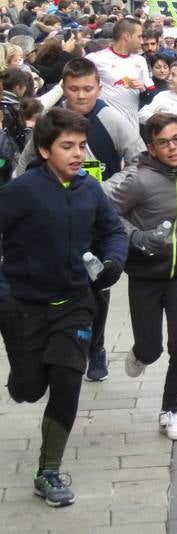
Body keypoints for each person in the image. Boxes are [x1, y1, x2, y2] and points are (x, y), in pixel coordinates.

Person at [0, 107, 128, 507]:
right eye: (66, 146)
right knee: (28, 388)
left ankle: (48, 471)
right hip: (23, 307)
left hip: (75, 304)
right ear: (43, 150)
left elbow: (112, 232)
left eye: (81, 145)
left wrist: (112, 263)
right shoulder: (21, 192)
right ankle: (22, 380)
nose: (77, 154)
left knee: (68, 381)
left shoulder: (90, 188)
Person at [103, 112, 177, 442]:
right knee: (151, 350)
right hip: (145, 275)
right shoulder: (137, 179)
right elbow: (106, 211)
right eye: (163, 142)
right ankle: (139, 353)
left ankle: (169, 413)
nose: (173, 147)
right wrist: (136, 237)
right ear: (151, 148)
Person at [91, 18, 153, 128]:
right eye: (139, 37)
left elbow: (148, 97)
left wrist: (142, 88)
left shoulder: (140, 60)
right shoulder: (97, 59)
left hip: (132, 127)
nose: (142, 42)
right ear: (126, 36)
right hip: (107, 127)